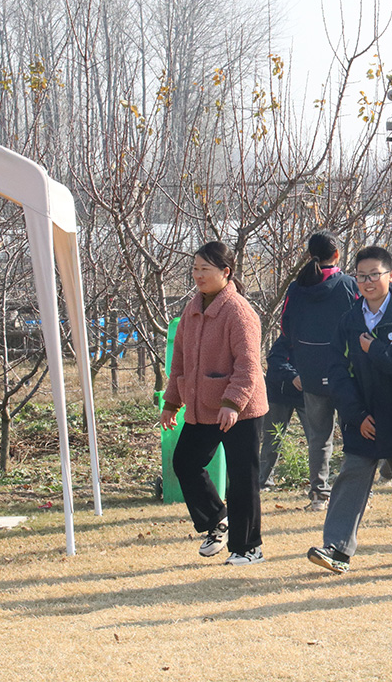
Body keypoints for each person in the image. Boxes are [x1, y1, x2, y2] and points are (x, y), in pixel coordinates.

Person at [307, 247, 392, 572]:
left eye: (374, 275)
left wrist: (378, 350)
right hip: (364, 417)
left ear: (391, 276)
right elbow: (337, 371)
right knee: (351, 477)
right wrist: (356, 415)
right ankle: (336, 550)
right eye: (361, 276)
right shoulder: (349, 321)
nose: (367, 282)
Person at [162, 242, 268, 564]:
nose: (198, 275)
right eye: (195, 269)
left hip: (242, 410)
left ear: (226, 272)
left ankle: (248, 548)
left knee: (242, 478)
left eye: (205, 269)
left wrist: (233, 403)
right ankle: (215, 519)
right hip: (202, 406)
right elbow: (178, 360)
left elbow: (248, 364)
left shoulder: (239, 311)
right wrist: (171, 402)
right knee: (185, 462)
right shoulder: (192, 308)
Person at [268, 231, 359, 511]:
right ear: (338, 255)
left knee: (319, 438)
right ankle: (356, 493)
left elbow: (285, 328)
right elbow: (361, 323)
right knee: (354, 433)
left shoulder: (297, 288)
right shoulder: (347, 285)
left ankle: (319, 495)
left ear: (310, 255)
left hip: (309, 372)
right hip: (345, 372)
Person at [257, 345, 304, 491]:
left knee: (317, 440)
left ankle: (320, 484)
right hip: (278, 394)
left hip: (308, 394)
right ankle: (262, 481)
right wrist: (292, 376)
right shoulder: (285, 338)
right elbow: (275, 360)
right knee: (272, 439)